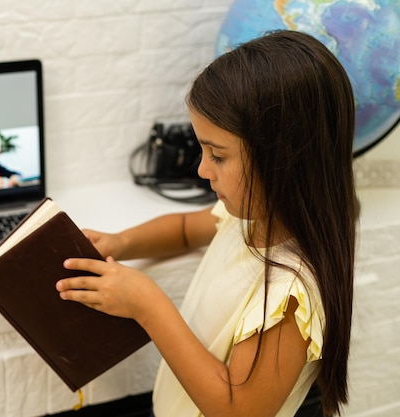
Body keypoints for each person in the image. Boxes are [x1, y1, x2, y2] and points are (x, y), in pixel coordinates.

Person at [56, 30, 356, 417]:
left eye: (218, 155)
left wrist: (148, 305)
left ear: (284, 159)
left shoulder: (289, 296)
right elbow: (184, 230)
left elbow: (237, 410)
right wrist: (121, 243)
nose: (201, 169)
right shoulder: (248, 218)